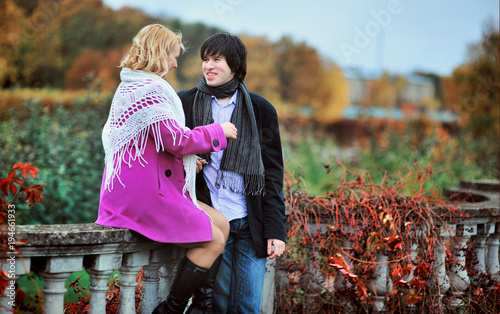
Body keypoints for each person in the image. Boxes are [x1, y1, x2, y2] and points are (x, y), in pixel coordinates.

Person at [94, 24, 238, 314]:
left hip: (144, 185)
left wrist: (186, 163)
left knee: (222, 224)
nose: (175, 63)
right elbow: (174, 139)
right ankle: (171, 309)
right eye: (173, 56)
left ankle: (202, 305)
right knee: (214, 239)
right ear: (160, 54)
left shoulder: (135, 84)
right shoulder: (147, 90)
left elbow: (153, 143)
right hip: (140, 195)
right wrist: (216, 131)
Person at [179, 32, 287, 314]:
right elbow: (168, 153)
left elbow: (273, 175)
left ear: (236, 66)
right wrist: (190, 160)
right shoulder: (185, 104)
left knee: (249, 306)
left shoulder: (262, 110)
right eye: (205, 59)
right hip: (214, 225)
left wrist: (276, 230)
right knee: (220, 304)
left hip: (251, 224)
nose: (208, 66)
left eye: (217, 59)